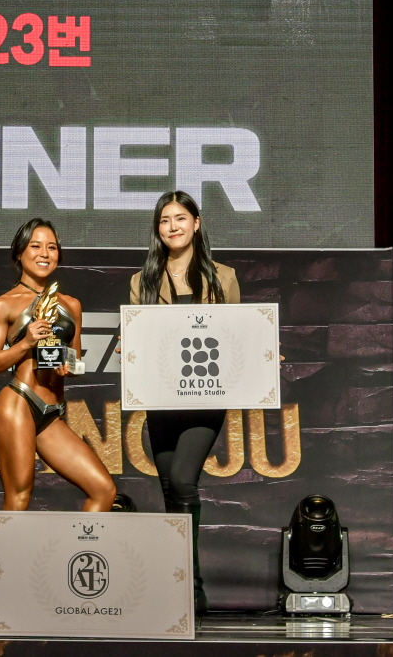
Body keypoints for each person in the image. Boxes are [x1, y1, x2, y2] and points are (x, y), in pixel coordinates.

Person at [128, 192, 240, 614]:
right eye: (164, 220)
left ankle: (192, 589)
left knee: (182, 481)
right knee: (168, 490)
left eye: (180, 218)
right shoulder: (142, 280)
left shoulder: (223, 276)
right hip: (161, 397)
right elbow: (142, 338)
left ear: (196, 223)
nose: (172, 227)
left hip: (205, 396)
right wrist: (129, 346)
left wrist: (262, 351)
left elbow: (237, 335)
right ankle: (178, 584)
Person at [0, 219, 117, 513]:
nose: (44, 253)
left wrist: (67, 365)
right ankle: (6, 547)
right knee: (18, 497)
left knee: (104, 490)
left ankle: (77, 545)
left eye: (52, 247)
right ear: (19, 253)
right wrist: (25, 343)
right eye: (35, 246)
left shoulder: (71, 305)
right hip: (19, 403)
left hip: (52, 413)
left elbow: (74, 358)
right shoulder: (3, 304)